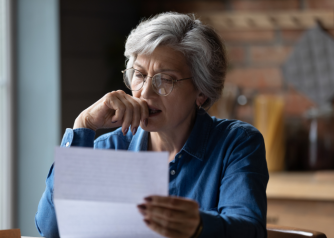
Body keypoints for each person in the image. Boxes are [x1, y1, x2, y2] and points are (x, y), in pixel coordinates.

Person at [35, 12, 268, 238]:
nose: (145, 93)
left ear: (202, 92)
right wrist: (82, 125)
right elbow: (51, 230)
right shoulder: (111, 147)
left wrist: (198, 226)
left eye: (165, 79)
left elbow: (250, 230)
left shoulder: (236, 143)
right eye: (139, 74)